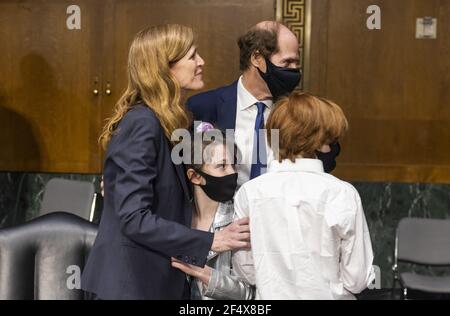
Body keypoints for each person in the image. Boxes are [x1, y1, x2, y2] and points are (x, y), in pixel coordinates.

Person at [81, 25, 250, 300]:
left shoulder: (175, 121)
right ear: (164, 68)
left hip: (154, 282)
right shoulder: (142, 123)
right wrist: (211, 241)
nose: (201, 62)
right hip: (130, 285)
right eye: (193, 56)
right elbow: (134, 218)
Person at [232, 91, 375, 300]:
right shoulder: (342, 193)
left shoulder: (249, 193)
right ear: (318, 140)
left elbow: (246, 270)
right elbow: (358, 278)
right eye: (329, 136)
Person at [187, 21, 341, 187]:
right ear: (256, 58)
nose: (294, 71)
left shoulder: (301, 113)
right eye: (287, 62)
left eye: (296, 63)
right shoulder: (203, 106)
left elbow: (326, 164)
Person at [171, 122, 255, 300]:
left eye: (234, 165)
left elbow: (251, 294)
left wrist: (207, 275)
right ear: (195, 176)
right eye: (222, 166)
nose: (232, 173)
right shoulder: (174, 219)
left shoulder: (240, 220)